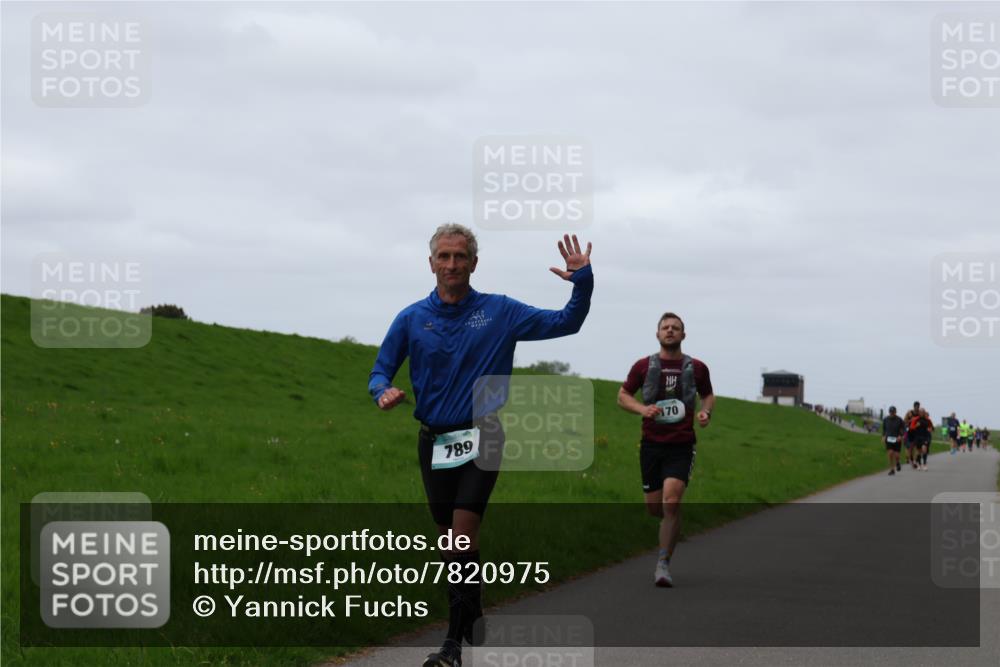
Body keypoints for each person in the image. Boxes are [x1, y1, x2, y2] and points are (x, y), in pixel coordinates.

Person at [368, 225, 593, 667]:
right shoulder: (412, 318)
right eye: (444, 257)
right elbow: (380, 370)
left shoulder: (500, 312)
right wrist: (382, 392)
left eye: (460, 257)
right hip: (433, 442)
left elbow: (567, 322)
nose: (452, 265)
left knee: (459, 540)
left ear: (474, 262)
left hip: (481, 435)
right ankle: (472, 609)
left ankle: (451, 646)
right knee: (450, 545)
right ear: (430, 262)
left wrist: (582, 282)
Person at [617, 312, 715, 587]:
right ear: (657, 334)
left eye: (676, 328)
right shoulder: (643, 366)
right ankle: (672, 526)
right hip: (651, 445)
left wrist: (706, 413)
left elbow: (707, 395)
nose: (670, 331)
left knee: (671, 502)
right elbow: (622, 396)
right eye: (665, 327)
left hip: (681, 445)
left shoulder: (697, 368)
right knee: (655, 508)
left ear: (684, 335)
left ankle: (663, 564)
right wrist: (642, 409)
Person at [882, 406, 905, 475]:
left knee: (897, 455)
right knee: (890, 453)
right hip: (889, 439)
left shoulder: (899, 420)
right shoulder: (885, 419)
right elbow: (884, 429)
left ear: (895, 412)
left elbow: (904, 429)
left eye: (893, 412)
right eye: (890, 412)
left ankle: (897, 462)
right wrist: (883, 436)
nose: (892, 413)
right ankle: (892, 469)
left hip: (897, 439)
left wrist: (900, 436)